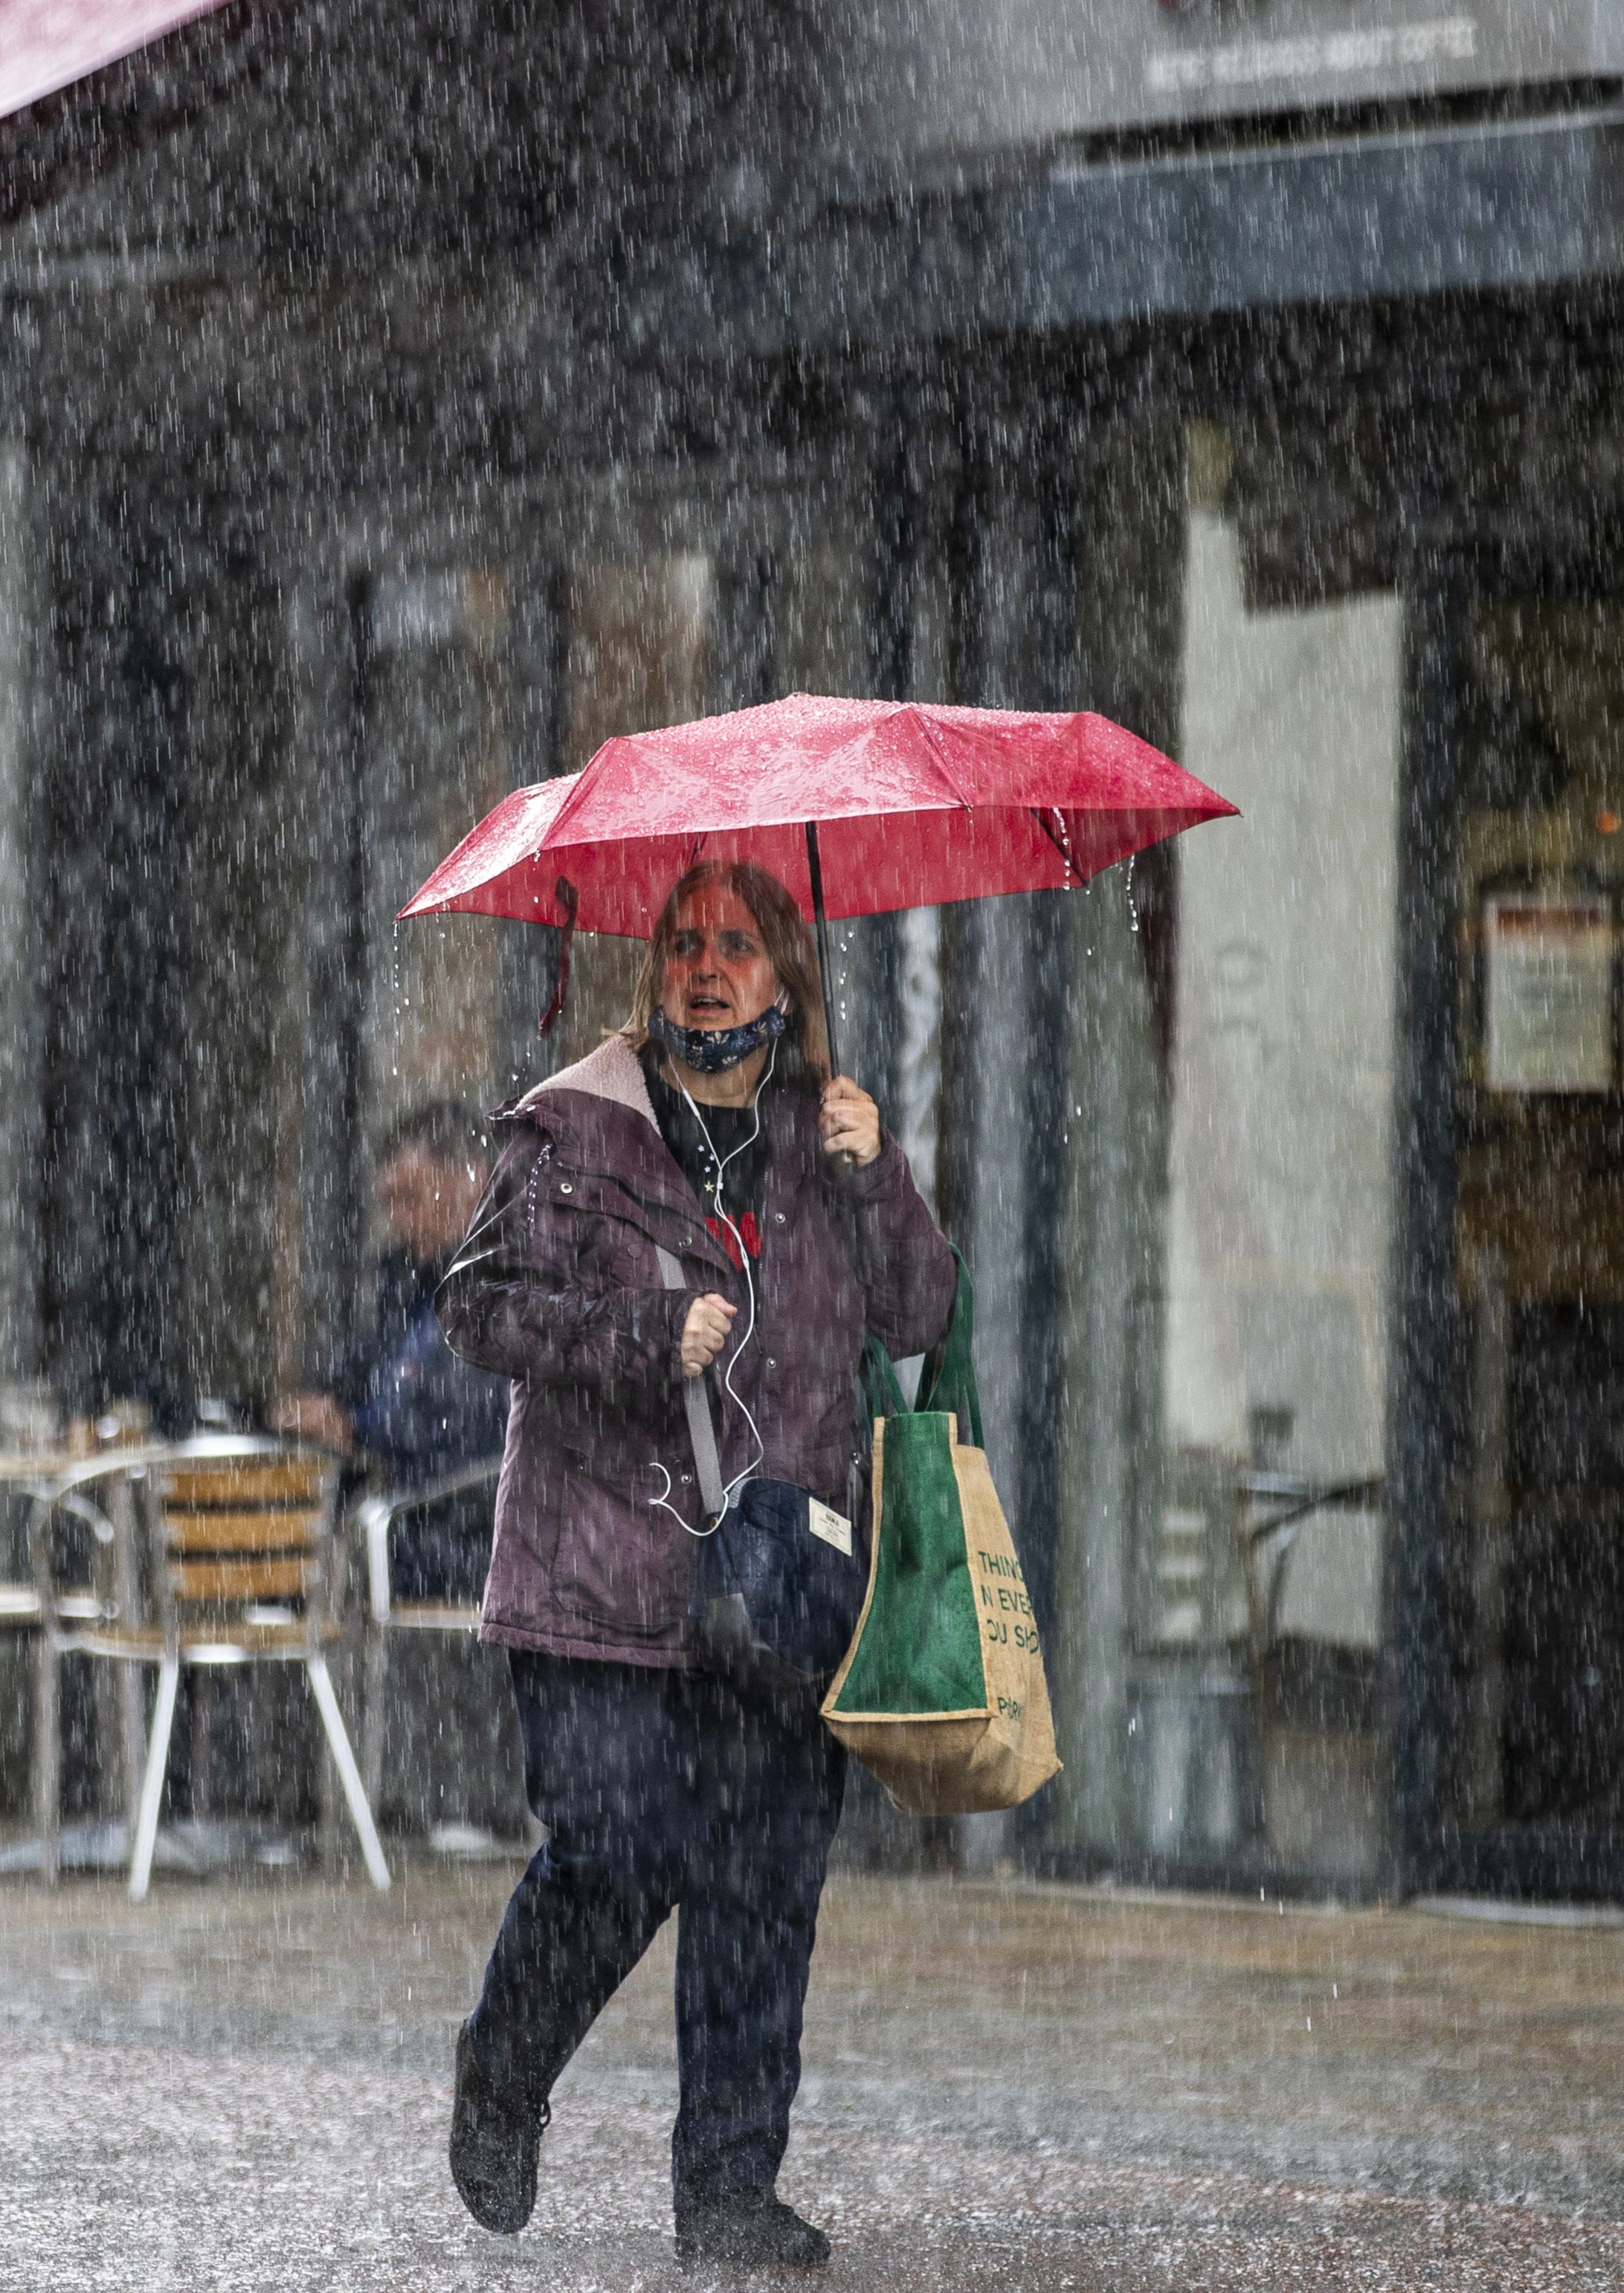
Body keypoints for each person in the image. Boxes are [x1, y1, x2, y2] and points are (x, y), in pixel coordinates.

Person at [434, 856, 957, 2269]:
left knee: (762, 1878)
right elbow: (472, 1304)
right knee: (615, 1843)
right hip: (598, 1578)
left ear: (787, 973)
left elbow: (919, 1309)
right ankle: (502, 2064)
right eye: (680, 945)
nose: (703, 967)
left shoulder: (824, 1139)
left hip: (778, 1582)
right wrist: (629, 1334)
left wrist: (878, 1166)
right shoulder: (575, 1125)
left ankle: (727, 2187)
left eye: (734, 945)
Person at [276, 1102, 506, 1520]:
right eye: (391, 1205)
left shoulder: (505, 1280)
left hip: (461, 1534)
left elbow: (465, 1424)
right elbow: (360, 1370)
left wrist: (358, 1432)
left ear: (473, 1179)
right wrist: (316, 1406)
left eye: (411, 1199)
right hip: (395, 1523)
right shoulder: (410, 1285)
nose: (401, 1221)